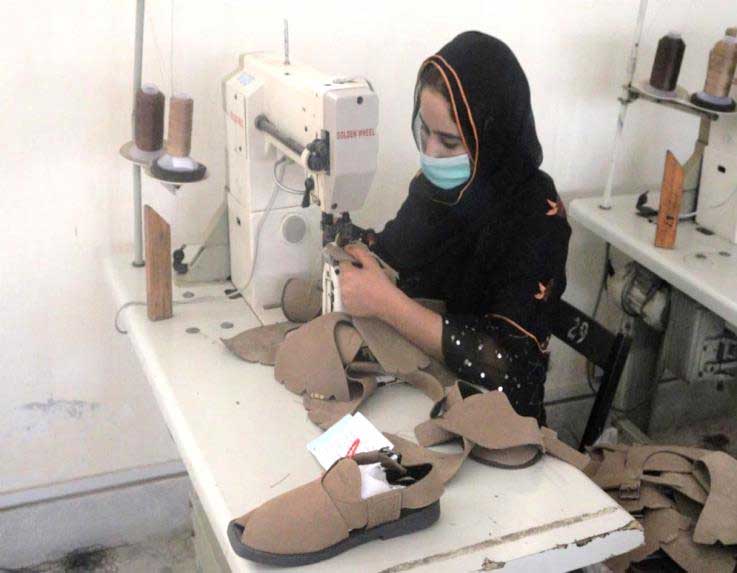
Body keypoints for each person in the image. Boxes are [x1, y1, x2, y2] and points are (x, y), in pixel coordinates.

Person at [339, 31, 571, 424]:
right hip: (423, 390)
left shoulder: (536, 216)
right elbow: (394, 252)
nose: (430, 153)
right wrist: (348, 245)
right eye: (424, 132)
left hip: (496, 425)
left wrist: (387, 304)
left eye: (449, 141)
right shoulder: (439, 189)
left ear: (491, 136)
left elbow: (513, 371)